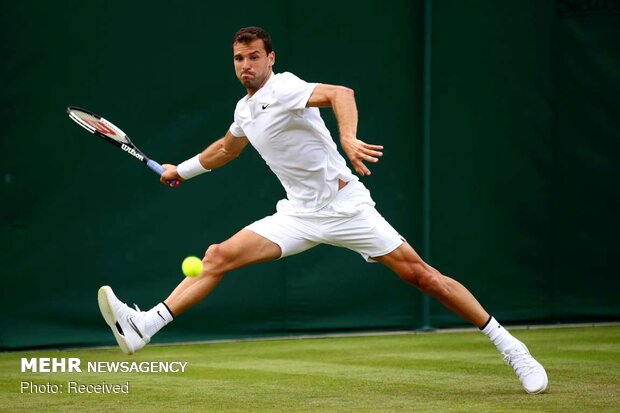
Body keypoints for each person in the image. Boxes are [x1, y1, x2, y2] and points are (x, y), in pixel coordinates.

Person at [98, 26, 548, 394]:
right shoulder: (245, 109)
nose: (246, 66)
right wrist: (184, 170)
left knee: (423, 277)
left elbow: (341, 94)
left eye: (254, 56)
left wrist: (349, 139)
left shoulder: (287, 86)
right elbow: (226, 150)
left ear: (270, 58)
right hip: (297, 214)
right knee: (217, 256)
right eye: (239, 58)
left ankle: (511, 347)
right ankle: (145, 326)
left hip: (346, 207)